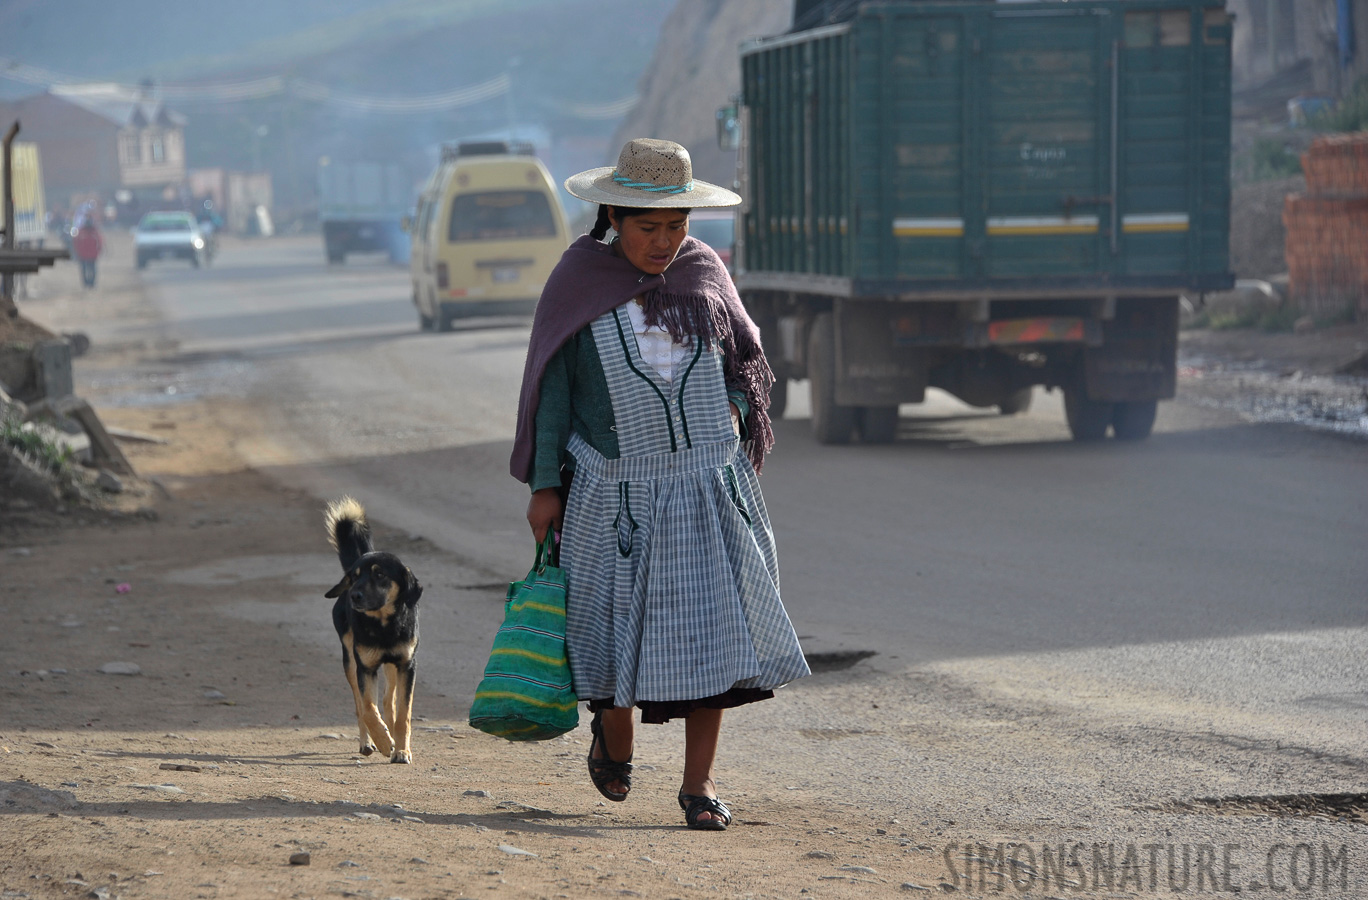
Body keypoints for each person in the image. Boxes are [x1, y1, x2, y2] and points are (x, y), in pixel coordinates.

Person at [510, 139, 810, 831]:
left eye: (676, 225)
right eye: (649, 227)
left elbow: (746, 366)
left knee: (720, 637)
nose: (665, 242)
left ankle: (698, 786)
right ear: (613, 216)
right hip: (614, 495)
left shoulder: (703, 273)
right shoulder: (578, 282)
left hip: (708, 488)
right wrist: (545, 485)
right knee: (616, 634)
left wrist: (734, 416)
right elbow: (552, 391)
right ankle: (614, 733)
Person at [72, 215, 103, 289]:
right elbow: (76, 243)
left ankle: (91, 283)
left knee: (92, 270)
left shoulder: (94, 232)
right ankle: (86, 283)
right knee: (85, 270)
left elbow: (99, 243)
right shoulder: (82, 232)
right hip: (83, 255)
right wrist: (77, 252)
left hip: (92, 255)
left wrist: (98, 251)